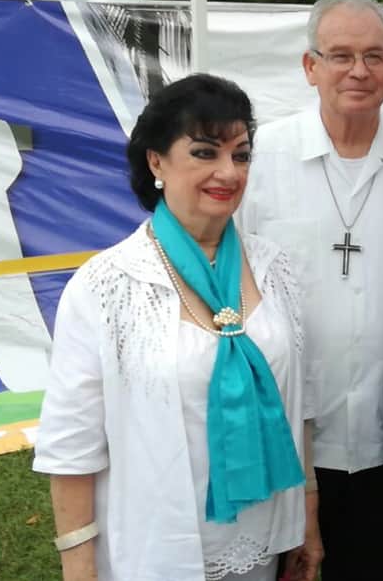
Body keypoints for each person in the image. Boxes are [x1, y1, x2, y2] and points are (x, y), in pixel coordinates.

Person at [33, 74, 321, 581]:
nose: (228, 173)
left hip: (265, 540)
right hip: (157, 550)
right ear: (156, 161)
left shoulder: (277, 270)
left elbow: (301, 409)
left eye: (242, 154)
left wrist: (307, 524)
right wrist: (78, 567)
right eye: (205, 153)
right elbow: (71, 445)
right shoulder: (106, 286)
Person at [236, 0, 383, 581]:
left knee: (375, 564)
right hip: (283, 419)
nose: (359, 70)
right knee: (286, 566)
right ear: (310, 67)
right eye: (340, 55)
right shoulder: (265, 158)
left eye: (375, 56)